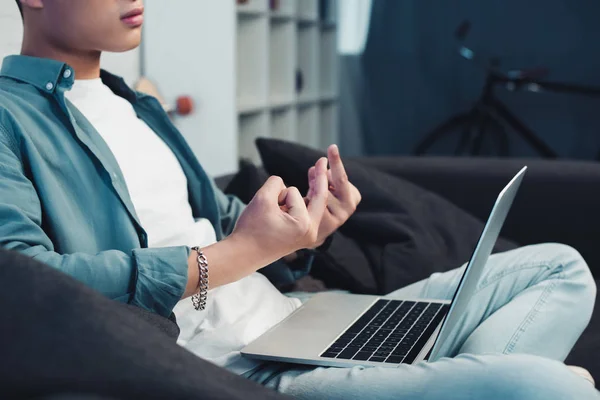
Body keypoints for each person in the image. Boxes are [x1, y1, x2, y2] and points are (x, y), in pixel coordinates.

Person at [0, 1, 597, 399]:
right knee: (560, 388)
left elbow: (219, 222)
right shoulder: (10, 117)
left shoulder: (137, 104)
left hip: (292, 320)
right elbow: (24, 282)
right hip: (242, 366)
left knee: (562, 269)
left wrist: (305, 230)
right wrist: (233, 255)